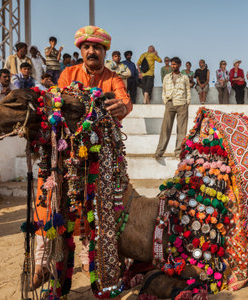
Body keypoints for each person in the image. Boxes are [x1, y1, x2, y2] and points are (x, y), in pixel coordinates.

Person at [33, 25, 132, 289]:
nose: (91, 51)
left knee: (95, 209)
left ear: (104, 52)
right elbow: (59, 104)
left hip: (100, 156)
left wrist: (122, 106)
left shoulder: (113, 78)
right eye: (86, 47)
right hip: (68, 155)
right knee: (48, 202)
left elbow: (125, 101)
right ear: (81, 51)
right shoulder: (68, 73)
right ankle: (41, 264)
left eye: (97, 47)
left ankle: (91, 259)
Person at [155, 56, 190, 159]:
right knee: (165, 128)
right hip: (170, 103)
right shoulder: (167, 77)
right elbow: (164, 90)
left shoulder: (184, 77)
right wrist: (165, 101)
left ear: (179, 65)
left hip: (182, 104)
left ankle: (179, 152)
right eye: (172, 64)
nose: (173, 66)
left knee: (181, 130)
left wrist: (187, 103)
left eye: (175, 64)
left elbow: (188, 91)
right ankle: (159, 151)